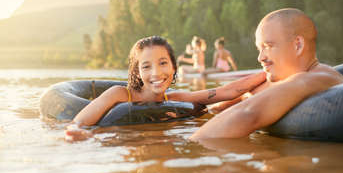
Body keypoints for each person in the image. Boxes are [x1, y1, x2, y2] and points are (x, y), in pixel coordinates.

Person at [65, 36, 266, 141]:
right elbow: (78, 123)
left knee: (220, 107)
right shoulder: (119, 94)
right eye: (146, 66)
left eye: (163, 63)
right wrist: (78, 133)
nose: (156, 73)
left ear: (173, 66)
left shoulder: (174, 98)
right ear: (137, 72)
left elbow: (225, 91)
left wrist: (269, 73)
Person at [190, 8, 343, 140]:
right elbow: (220, 107)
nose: (260, 57)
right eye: (260, 49)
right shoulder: (282, 80)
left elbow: (248, 114)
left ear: (297, 45)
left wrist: (189, 148)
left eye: (268, 46)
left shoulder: (315, 78)